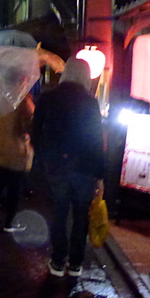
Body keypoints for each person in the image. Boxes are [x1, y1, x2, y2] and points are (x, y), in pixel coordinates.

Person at [31, 57, 104, 278]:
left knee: (59, 213)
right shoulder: (90, 103)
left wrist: (44, 158)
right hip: (84, 169)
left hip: (56, 168)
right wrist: (100, 177)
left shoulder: (48, 98)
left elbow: (35, 132)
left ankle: (57, 260)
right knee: (81, 217)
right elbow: (96, 141)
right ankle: (75, 264)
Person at [0, 92, 35, 232]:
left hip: (0, 147)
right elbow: (27, 127)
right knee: (14, 189)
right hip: (16, 151)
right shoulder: (23, 101)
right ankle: (9, 222)